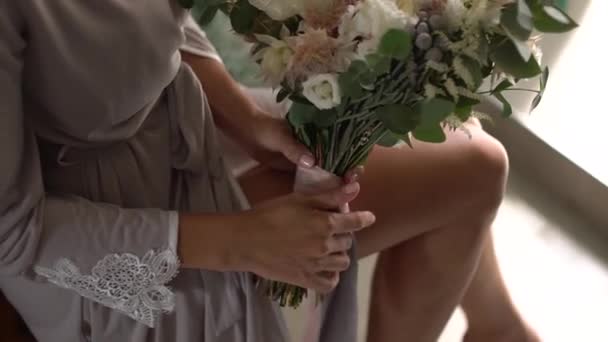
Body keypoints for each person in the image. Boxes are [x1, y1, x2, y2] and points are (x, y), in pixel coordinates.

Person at [0, 1, 538, 341]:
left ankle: (497, 326)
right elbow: (14, 238)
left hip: (183, 122)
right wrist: (245, 241)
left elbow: (169, 24)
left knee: (475, 160)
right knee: (472, 169)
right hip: (100, 238)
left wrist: (250, 120)